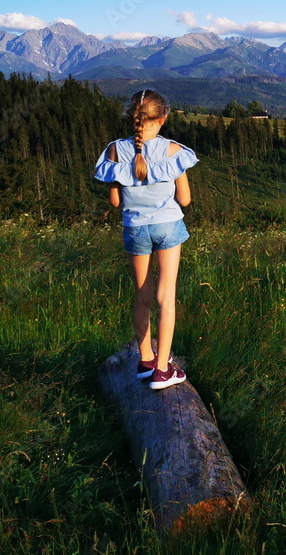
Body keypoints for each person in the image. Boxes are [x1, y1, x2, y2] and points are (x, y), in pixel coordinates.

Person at [93, 89, 198, 389]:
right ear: (163, 118)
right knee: (167, 298)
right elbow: (185, 199)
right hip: (168, 225)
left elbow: (115, 202)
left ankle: (145, 360)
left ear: (132, 118)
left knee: (143, 295)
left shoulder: (114, 150)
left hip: (135, 228)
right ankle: (163, 370)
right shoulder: (173, 150)